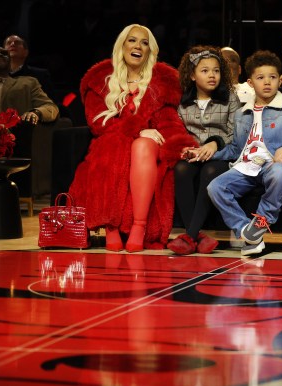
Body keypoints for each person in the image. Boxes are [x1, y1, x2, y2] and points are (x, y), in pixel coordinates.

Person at [68, 24, 195, 252]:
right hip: (111, 143)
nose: (138, 46)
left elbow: (168, 122)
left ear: (150, 51)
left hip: (149, 148)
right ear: (122, 46)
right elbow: (98, 124)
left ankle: (139, 226)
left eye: (144, 43)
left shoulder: (161, 81)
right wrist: (136, 129)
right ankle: (111, 226)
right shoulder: (100, 80)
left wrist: (180, 144)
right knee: (112, 144)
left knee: (143, 144)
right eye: (132, 40)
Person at [207, 50, 282, 256]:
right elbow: (235, 150)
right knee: (215, 187)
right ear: (250, 82)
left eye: (272, 77)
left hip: (274, 164)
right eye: (260, 78)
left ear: (280, 80)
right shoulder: (241, 113)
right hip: (247, 166)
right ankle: (247, 231)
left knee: (279, 172)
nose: (267, 82)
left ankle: (261, 222)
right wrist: (208, 152)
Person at [166, 45, 241, 255]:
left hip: (221, 154)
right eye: (205, 71)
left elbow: (235, 133)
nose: (212, 76)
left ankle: (189, 236)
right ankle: (197, 237)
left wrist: (215, 143)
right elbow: (176, 130)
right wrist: (186, 147)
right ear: (192, 75)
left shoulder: (230, 98)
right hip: (193, 154)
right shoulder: (183, 102)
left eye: (216, 71)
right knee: (180, 169)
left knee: (210, 172)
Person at [0, 46, 58, 125]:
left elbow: (50, 108)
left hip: (13, 135)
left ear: (10, 64)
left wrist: (36, 113)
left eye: (4, 54)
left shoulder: (27, 83)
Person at [3, 35, 58, 105]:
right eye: (9, 43)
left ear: (26, 52)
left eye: (17, 43)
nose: (12, 44)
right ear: (3, 53)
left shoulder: (41, 75)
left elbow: (51, 104)